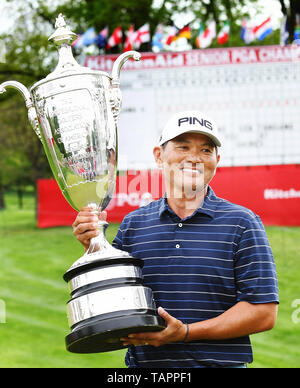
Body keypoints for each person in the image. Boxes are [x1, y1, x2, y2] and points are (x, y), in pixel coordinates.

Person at [72, 110, 279, 368]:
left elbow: (263, 313)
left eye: (206, 150)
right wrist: (92, 246)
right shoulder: (133, 225)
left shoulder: (242, 223)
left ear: (217, 159)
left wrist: (187, 333)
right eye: (183, 146)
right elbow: (115, 298)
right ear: (159, 156)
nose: (194, 158)